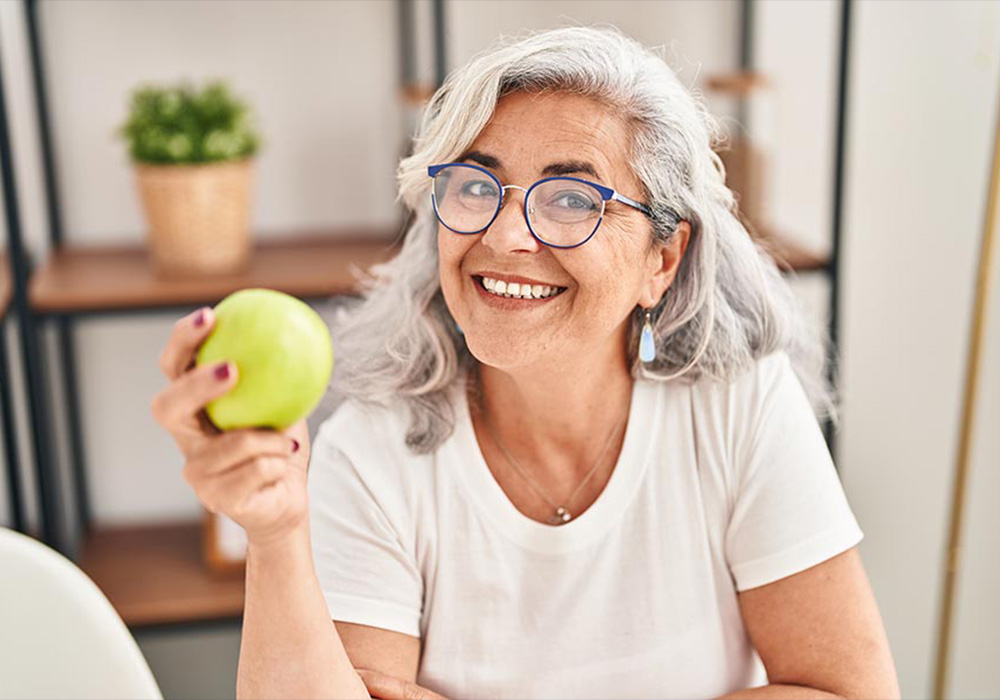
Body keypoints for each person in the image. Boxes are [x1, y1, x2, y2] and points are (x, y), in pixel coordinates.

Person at [152, 25, 899, 700]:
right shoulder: (373, 451)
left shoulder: (740, 404)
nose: (506, 236)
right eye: (477, 186)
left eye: (572, 199)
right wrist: (276, 535)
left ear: (663, 259)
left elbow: (848, 693)